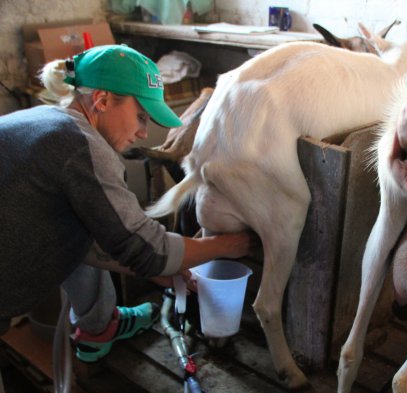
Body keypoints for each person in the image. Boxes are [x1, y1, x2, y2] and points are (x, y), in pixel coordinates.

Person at [0, 44, 256, 362]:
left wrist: (157, 270)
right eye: (140, 117)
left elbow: (92, 239)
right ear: (102, 100)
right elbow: (146, 247)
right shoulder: (81, 146)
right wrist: (229, 245)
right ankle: (99, 327)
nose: (142, 132)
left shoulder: (44, 120)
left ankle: (101, 327)